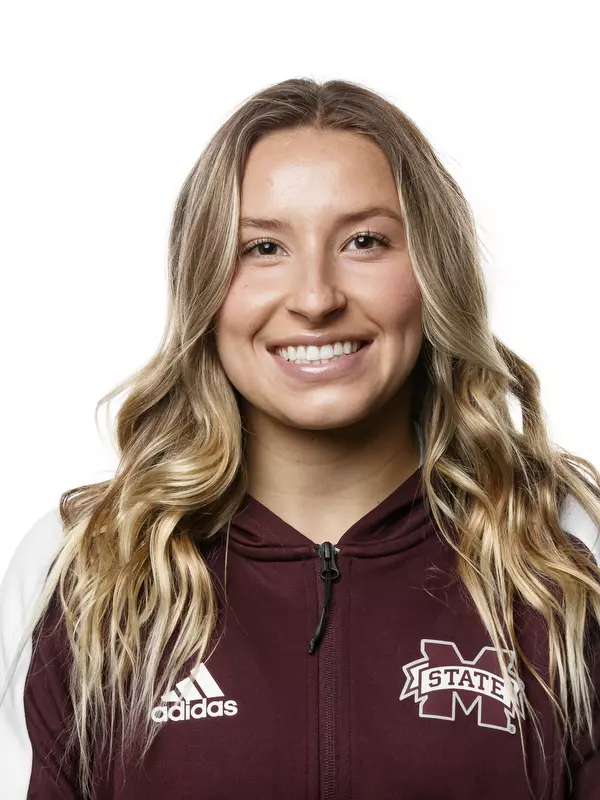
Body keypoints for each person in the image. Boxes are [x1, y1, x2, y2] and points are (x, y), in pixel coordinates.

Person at [1, 77, 599, 800]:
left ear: (432, 271)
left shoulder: (565, 551)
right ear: (204, 286)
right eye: (262, 248)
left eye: (365, 241)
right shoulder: (83, 568)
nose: (316, 298)